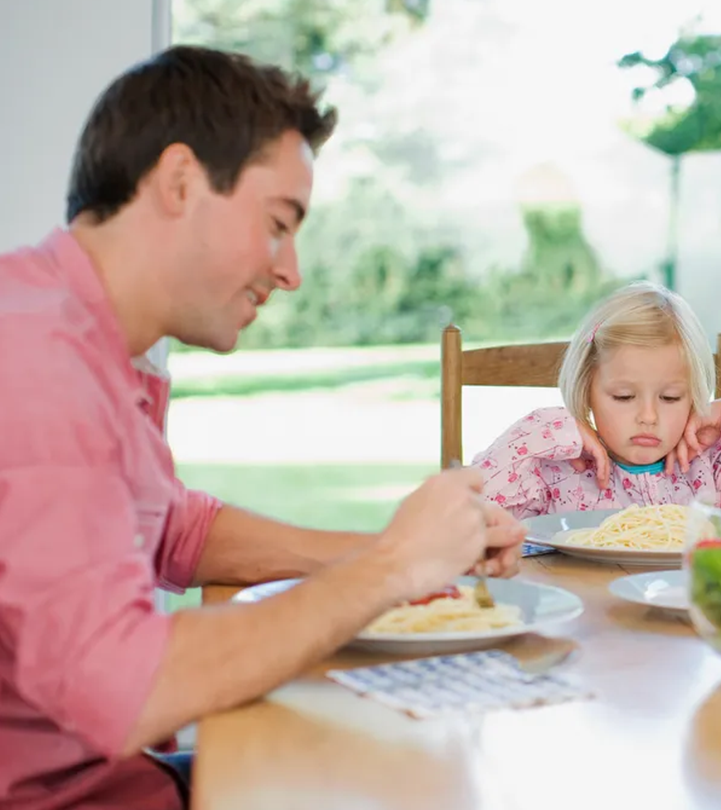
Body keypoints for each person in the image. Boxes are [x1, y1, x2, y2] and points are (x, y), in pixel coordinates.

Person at [0, 45, 525, 810]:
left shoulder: (88, 337)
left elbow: (171, 528)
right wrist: (388, 572)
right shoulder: (39, 366)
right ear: (179, 182)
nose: (291, 272)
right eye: (279, 225)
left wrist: (401, 557)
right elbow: (128, 687)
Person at [471, 281, 721, 517]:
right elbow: (470, 519)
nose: (648, 416)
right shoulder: (556, 471)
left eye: (670, 397)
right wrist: (546, 431)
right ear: (586, 388)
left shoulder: (716, 465)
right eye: (623, 396)